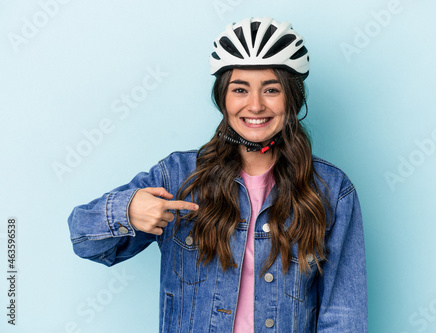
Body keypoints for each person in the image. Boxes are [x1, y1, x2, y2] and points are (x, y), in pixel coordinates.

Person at [68, 17, 368, 332]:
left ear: (291, 99)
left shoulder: (331, 190)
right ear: (223, 98)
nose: (255, 105)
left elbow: (343, 317)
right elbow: (83, 239)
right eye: (240, 89)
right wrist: (127, 211)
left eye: (271, 90)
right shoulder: (178, 178)